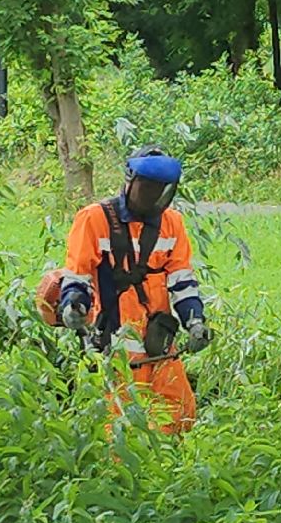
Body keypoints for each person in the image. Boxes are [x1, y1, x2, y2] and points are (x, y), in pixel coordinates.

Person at [41, 146, 210, 433]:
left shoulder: (172, 224)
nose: (154, 198)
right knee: (116, 423)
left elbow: (182, 281)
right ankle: (120, 473)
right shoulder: (94, 219)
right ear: (129, 181)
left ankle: (163, 468)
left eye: (161, 190)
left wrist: (195, 321)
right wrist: (73, 306)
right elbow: (78, 274)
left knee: (180, 410)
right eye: (147, 189)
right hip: (113, 341)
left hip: (158, 339)